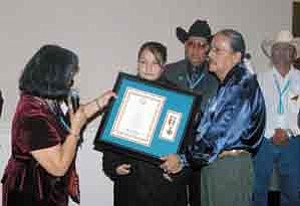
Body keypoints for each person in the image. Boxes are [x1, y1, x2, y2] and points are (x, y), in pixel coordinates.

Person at [161, 29, 266, 206]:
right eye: (212, 49)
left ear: (236, 57)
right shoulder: (231, 84)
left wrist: (182, 159)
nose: (209, 54)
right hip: (217, 164)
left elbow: (217, 135)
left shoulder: (238, 87)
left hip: (228, 168)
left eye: (217, 50)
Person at [1, 45, 116, 206]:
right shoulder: (32, 116)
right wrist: (75, 131)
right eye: (68, 75)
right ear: (53, 76)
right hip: (30, 192)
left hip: (48, 188)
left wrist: (102, 101)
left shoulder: (48, 99)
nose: (71, 80)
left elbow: (76, 114)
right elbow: (59, 167)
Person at [102, 41, 187, 206]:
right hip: (130, 187)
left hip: (163, 186)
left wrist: (178, 167)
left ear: (163, 67)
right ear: (137, 63)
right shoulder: (123, 93)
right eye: (143, 62)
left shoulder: (179, 98)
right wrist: (113, 166)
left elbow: (187, 145)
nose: (148, 68)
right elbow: (110, 141)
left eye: (155, 63)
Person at [162, 19, 219, 206]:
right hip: (173, 149)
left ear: (208, 48)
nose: (196, 50)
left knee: (200, 200)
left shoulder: (217, 76)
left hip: (202, 152)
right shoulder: (168, 72)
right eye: (191, 44)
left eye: (201, 45)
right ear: (185, 46)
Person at [253, 30, 300, 206]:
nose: (281, 53)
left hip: (294, 141)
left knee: (293, 191)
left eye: (287, 49)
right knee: (257, 191)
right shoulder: (258, 79)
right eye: (277, 49)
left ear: (294, 53)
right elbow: (254, 112)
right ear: (271, 53)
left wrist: (289, 132)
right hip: (264, 141)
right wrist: (271, 132)